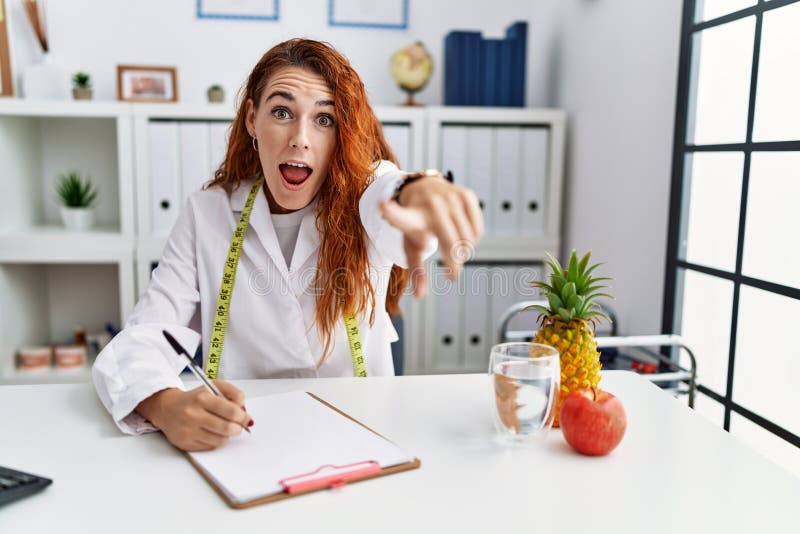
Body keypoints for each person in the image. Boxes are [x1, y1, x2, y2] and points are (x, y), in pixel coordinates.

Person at [92, 39, 483, 452]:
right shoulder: (207, 214)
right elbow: (146, 336)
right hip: (245, 444)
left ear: (342, 133)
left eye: (325, 120)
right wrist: (165, 405)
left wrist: (421, 191)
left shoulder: (365, 194)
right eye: (282, 112)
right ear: (251, 119)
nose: (301, 138)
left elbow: (389, 194)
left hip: (358, 442)